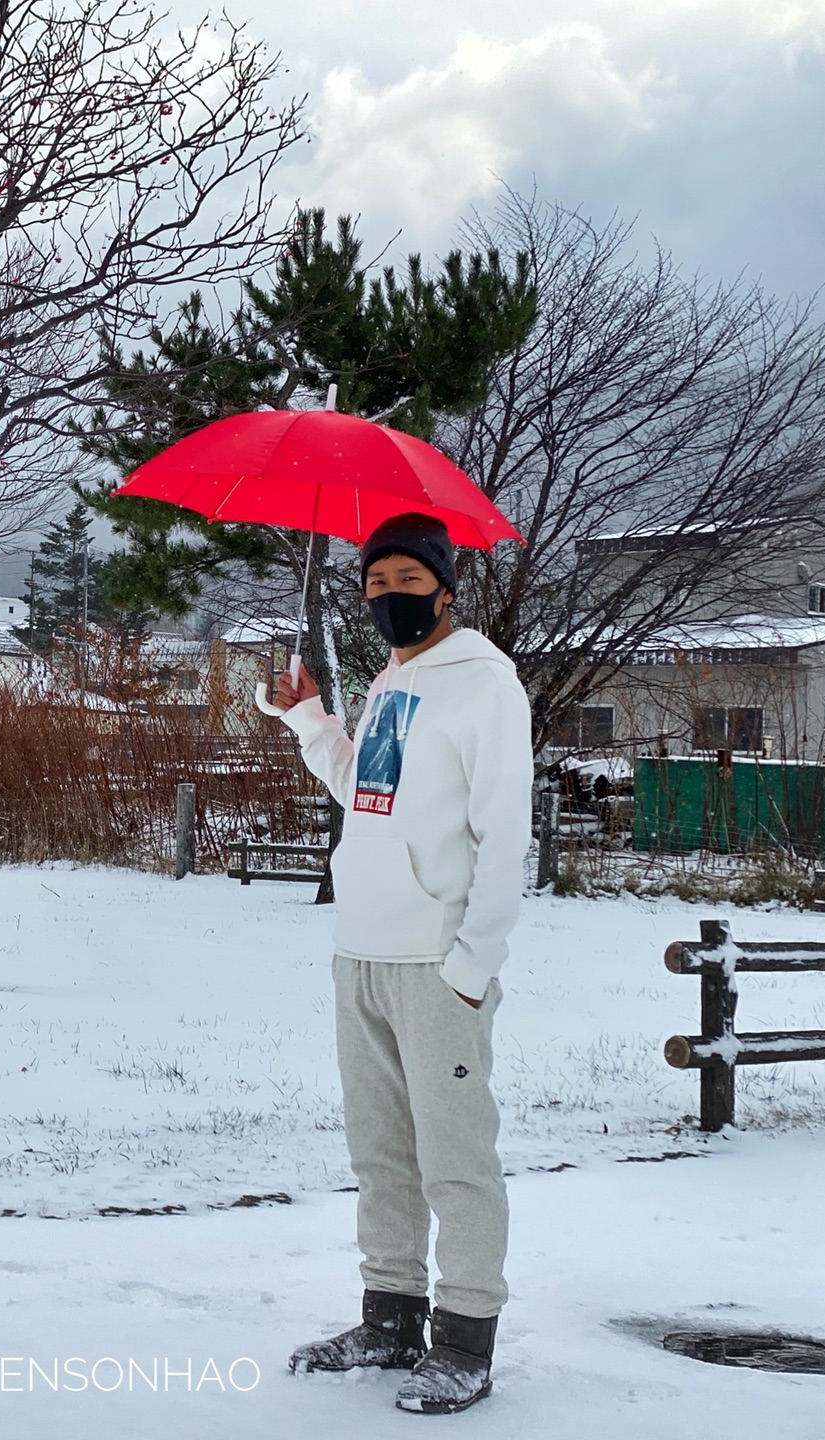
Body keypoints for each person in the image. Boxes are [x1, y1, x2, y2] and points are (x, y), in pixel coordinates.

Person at [270, 511, 533, 1416]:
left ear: (445, 587)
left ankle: (465, 1338)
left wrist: (473, 962)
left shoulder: (485, 685)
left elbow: (507, 838)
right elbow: (365, 792)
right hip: (364, 957)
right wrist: (309, 714)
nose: (389, 597)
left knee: (454, 1158)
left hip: (437, 968)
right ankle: (390, 1316)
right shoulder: (395, 681)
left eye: (406, 583)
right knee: (380, 1154)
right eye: (376, 584)